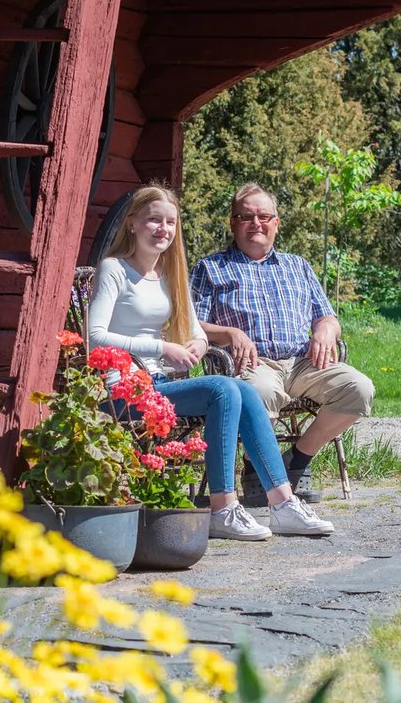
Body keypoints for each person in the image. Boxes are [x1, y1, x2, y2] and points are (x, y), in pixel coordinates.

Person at [88, 184, 334, 539]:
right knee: (223, 388)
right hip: (122, 390)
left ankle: (282, 504)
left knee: (241, 390)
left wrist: (197, 345)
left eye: (170, 222)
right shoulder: (114, 270)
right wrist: (162, 349)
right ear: (132, 224)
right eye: (153, 220)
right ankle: (223, 508)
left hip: (159, 385)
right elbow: (94, 336)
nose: (163, 229)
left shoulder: (170, 275)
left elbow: (194, 329)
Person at [190, 182, 375, 498]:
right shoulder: (211, 268)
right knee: (258, 392)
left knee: (359, 389)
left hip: (304, 363)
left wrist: (326, 330)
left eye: (264, 216)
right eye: (246, 216)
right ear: (233, 222)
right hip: (252, 364)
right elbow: (191, 325)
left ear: (276, 223)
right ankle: (256, 468)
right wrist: (230, 334)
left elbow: (327, 316)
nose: (256, 223)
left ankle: (298, 460)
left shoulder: (298, 266)